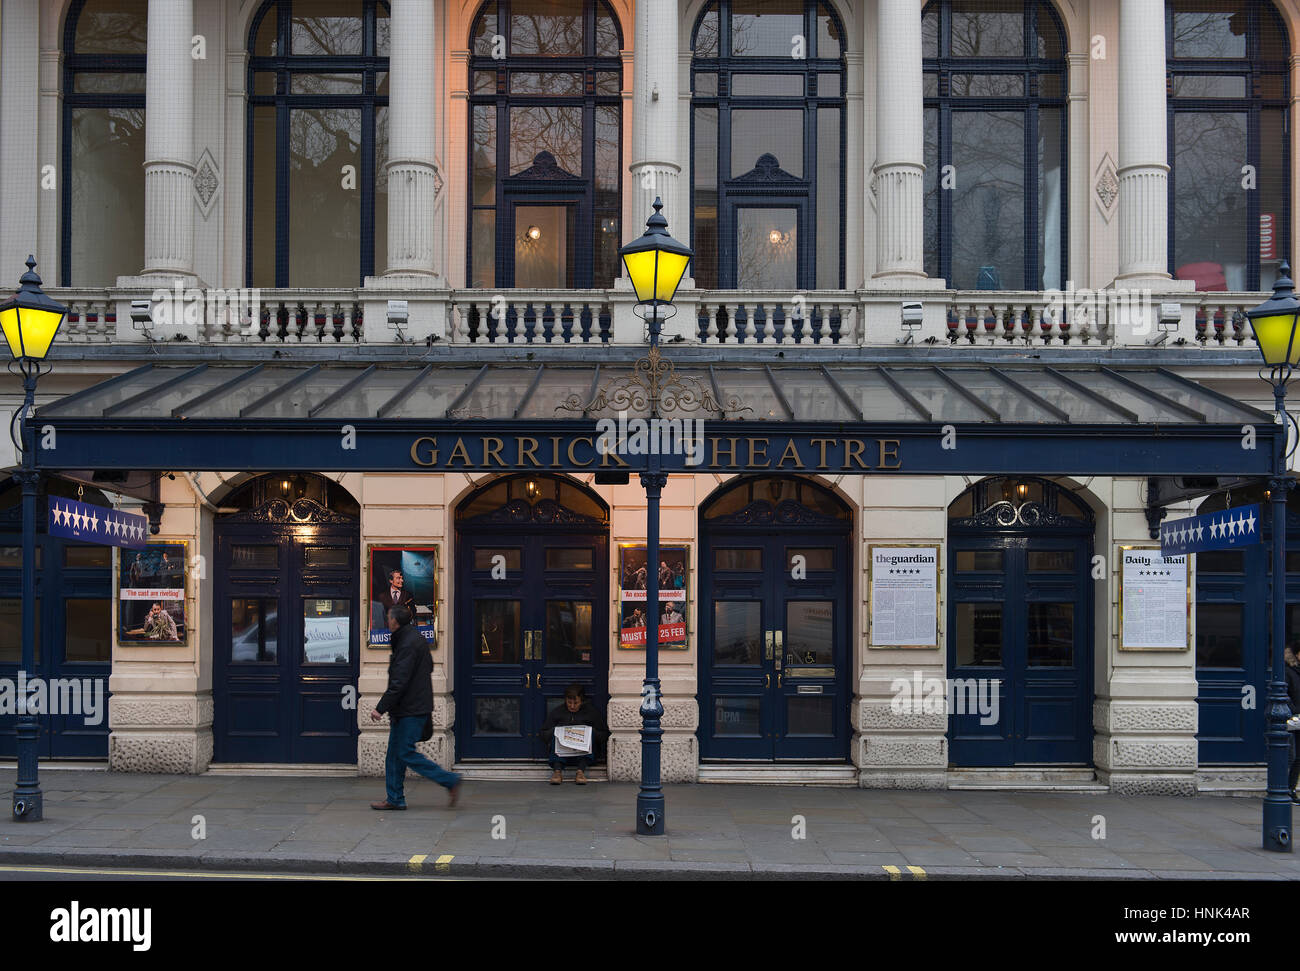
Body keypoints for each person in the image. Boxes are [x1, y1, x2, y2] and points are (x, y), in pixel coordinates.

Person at [369, 604, 461, 810]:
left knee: (405, 753)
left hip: (411, 709)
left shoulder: (407, 643)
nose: (387, 621)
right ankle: (394, 799)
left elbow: (399, 681)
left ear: (395, 621)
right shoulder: (413, 638)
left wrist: (380, 708)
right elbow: (427, 667)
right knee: (394, 755)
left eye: (389, 618)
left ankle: (449, 780)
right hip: (408, 708)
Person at [540, 683, 608, 785]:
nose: (572, 706)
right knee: (556, 733)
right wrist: (557, 731)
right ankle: (557, 771)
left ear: (582, 701)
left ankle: (580, 772)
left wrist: (590, 732)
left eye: (576, 703)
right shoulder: (558, 712)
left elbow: (603, 735)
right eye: (569, 702)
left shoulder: (591, 713)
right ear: (565, 700)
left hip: (582, 754)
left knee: (589, 734)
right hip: (562, 753)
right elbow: (543, 733)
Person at [1286, 645, 1300, 803]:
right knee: (1291, 756)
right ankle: (1283, 788)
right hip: (1291, 718)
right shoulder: (1288, 672)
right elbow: (1283, 693)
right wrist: (1294, 709)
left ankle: (1291, 789)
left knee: (1299, 758)